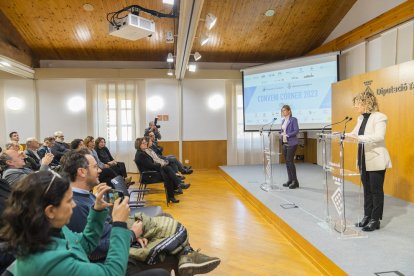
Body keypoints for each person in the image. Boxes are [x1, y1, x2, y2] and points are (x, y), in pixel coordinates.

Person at [0, 170, 133, 275]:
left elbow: (85, 244)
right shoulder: (50, 261)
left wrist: (97, 211)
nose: (74, 205)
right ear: (50, 210)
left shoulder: (50, 229)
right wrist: (119, 224)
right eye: (69, 200)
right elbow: (112, 273)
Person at [347, 91, 391, 232]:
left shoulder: (380, 117)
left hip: (376, 158)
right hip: (362, 158)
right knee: (367, 189)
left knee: (375, 190)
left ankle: (375, 219)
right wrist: (342, 135)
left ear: (365, 103)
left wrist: (360, 138)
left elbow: (379, 136)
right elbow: (355, 134)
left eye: (357, 104)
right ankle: (367, 216)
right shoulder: (360, 118)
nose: (355, 107)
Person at [134, 138, 180, 203]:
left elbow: (151, 164)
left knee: (167, 169)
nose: (145, 144)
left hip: (151, 173)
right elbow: (151, 166)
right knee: (168, 174)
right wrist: (160, 165)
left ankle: (175, 189)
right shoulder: (141, 155)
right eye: (143, 143)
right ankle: (176, 188)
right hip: (148, 176)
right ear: (139, 145)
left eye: (145, 142)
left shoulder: (142, 152)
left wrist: (160, 165)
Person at [280, 105, 300, 189]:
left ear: (289, 111)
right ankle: (290, 180)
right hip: (284, 143)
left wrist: (288, 134)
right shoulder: (283, 121)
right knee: (287, 163)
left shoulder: (293, 119)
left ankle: (295, 182)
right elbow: (283, 131)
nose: (283, 112)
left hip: (292, 143)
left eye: (284, 110)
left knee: (290, 162)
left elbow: (296, 130)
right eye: (282, 110)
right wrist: (280, 133)